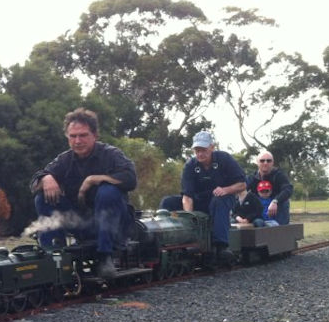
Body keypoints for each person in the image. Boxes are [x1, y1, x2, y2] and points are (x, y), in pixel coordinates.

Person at [30, 107, 137, 278]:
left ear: (95, 135)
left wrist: (94, 179)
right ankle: (54, 253)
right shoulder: (64, 160)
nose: (77, 141)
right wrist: (46, 178)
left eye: (83, 135)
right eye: (73, 136)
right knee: (43, 197)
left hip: (115, 225)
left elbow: (131, 178)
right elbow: (34, 182)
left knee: (107, 191)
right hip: (82, 222)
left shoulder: (111, 155)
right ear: (67, 138)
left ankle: (105, 256)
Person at [159, 130, 246, 261]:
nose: (200, 154)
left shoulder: (224, 159)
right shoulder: (190, 165)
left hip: (223, 199)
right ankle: (169, 238)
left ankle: (221, 246)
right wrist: (189, 218)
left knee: (218, 200)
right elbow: (187, 196)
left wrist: (226, 189)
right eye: (197, 150)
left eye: (203, 150)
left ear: (212, 147)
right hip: (199, 201)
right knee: (168, 202)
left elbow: (242, 185)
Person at [247, 150, 293, 225]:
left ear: (272, 162)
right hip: (259, 208)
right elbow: (242, 190)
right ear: (257, 163)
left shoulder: (279, 175)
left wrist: (275, 201)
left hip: (277, 208)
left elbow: (288, 189)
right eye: (262, 161)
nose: (265, 163)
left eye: (269, 161)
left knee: (284, 202)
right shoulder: (252, 178)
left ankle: (279, 227)